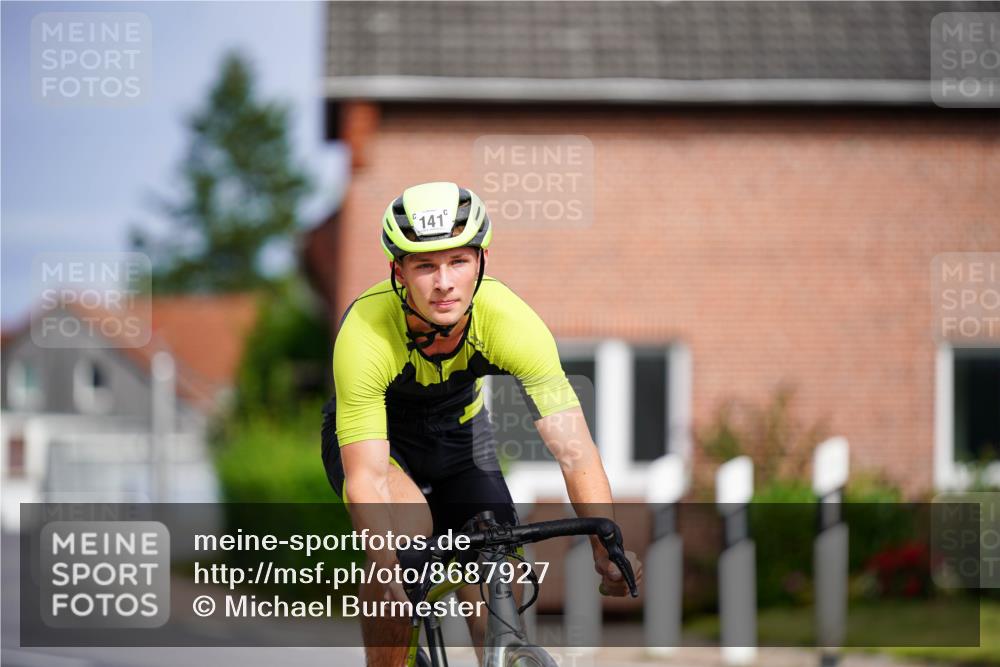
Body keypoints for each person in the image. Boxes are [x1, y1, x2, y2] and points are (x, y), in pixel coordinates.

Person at [321, 181, 642, 666]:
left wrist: (606, 544)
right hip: (382, 447)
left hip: (460, 441)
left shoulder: (508, 321)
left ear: (481, 262)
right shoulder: (365, 332)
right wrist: (387, 567)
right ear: (398, 272)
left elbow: (574, 449)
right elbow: (365, 476)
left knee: (497, 567)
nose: (444, 282)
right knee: (405, 537)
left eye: (458, 262)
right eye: (425, 265)